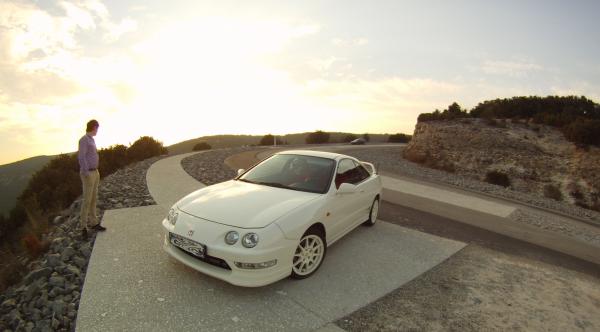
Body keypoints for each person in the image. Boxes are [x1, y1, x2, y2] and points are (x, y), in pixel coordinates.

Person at [78, 119, 106, 239]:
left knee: (94, 198)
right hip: (88, 173)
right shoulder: (84, 139)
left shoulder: (91, 139)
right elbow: (81, 156)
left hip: (95, 172)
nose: (97, 131)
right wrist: (86, 172)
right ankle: (83, 227)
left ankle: (94, 223)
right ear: (93, 127)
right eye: (97, 128)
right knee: (87, 200)